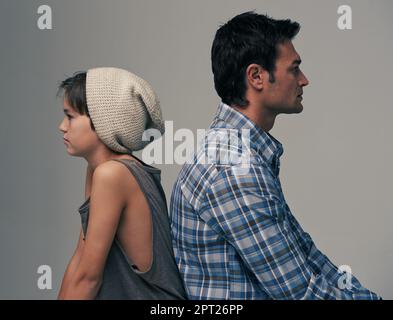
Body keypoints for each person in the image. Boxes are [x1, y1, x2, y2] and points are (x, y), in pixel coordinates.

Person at [170, 11, 380, 300]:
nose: (304, 80)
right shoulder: (233, 168)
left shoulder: (244, 155)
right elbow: (300, 293)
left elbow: (307, 255)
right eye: (294, 69)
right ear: (256, 76)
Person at [57, 67, 186, 299]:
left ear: (103, 121)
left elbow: (88, 277)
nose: (62, 126)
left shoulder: (113, 175)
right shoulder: (100, 170)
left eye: (71, 116)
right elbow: (81, 259)